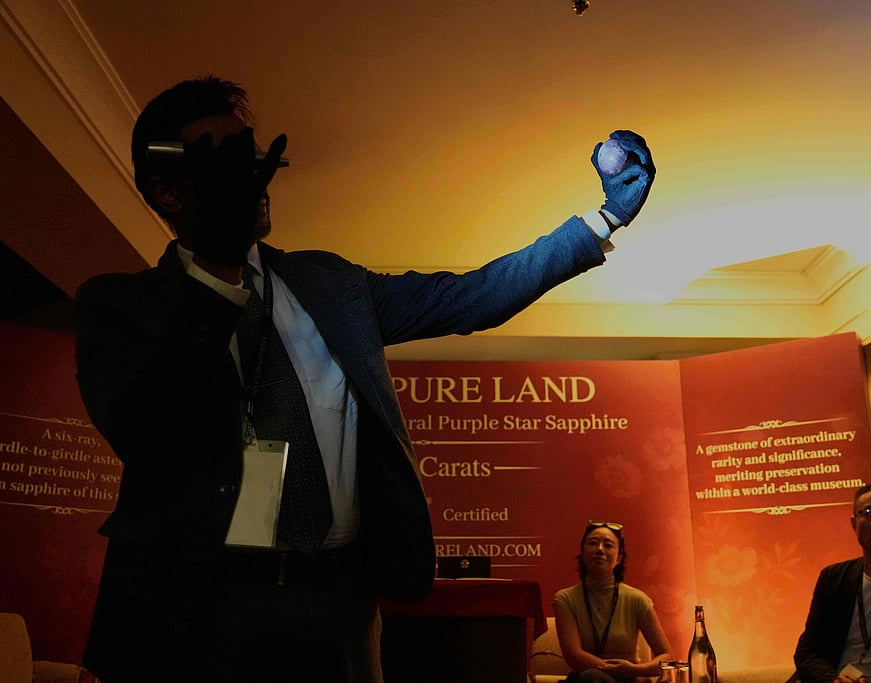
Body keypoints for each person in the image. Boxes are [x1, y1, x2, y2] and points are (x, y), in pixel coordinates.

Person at [74, 75, 656, 683]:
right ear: (168, 191)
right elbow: (150, 435)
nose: (250, 176)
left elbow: (472, 296)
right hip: (194, 614)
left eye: (248, 153)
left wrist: (604, 218)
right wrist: (219, 275)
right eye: (221, 162)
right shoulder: (120, 308)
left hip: (338, 611)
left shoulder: (331, 285)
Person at [552, 521, 672, 683]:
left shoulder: (637, 599)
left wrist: (633, 670)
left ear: (619, 558)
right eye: (593, 543)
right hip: (585, 679)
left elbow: (667, 656)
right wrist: (615, 671)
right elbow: (573, 656)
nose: (599, 549)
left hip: (629, 679)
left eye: (608, 545)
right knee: (591, 677)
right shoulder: (565, 599)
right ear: (582, 552)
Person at [793, 484, 871, 683]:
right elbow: (807, 652)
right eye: (869, 512)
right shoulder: (834, 579)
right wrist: (832, 680)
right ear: (854, 525)